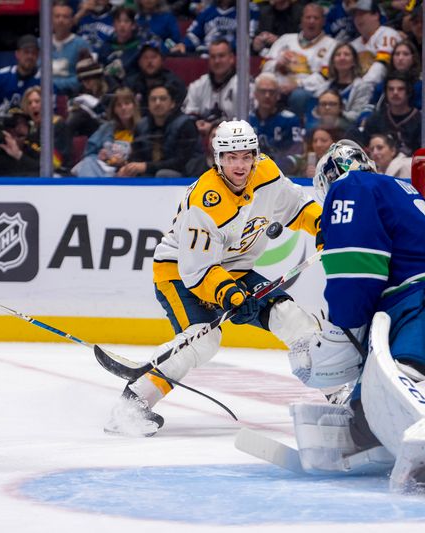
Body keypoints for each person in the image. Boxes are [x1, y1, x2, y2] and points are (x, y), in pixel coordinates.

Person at [286, 139, 425, 494]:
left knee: (408, 382)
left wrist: (342, 331)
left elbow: (356, 270)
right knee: (375, 403)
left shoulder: (350, 187)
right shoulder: (401, 190)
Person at [105, 119, 323, 436]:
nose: (240, 165)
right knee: (203, 339)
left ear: (256, 155)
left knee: (290, 317)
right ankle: (132, 404)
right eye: (231, 157)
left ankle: (338, 393)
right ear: (218, 159)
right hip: (179, 273)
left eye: (246, 156)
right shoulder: (205, 201)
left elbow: (298, 207)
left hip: (235, 268)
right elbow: (198, 270)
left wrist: (323, 227)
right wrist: (233, 296)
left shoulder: (267, 174)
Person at [119, 84, 200, 177]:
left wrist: (146, 167)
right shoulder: (141, 126)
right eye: (153, 99)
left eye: (163, 99)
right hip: (149, 173)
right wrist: (128, 167)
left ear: (172, 103)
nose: (157, 103)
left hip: (183, 176)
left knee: (162, 174)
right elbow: (136, 156)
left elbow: (181, 161)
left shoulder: (185, 124)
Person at [72, 87, 140, 177]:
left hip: (130, 172)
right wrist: (99, 155)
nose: (123, 108)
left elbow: (146, 159)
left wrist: (125, 162)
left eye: (127, 103)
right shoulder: (106, 128)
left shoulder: (143, 127)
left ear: (134, 106)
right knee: (89, 161)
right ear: (114, 109)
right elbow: (88, 153)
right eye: (119, 105)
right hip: (105, 172)